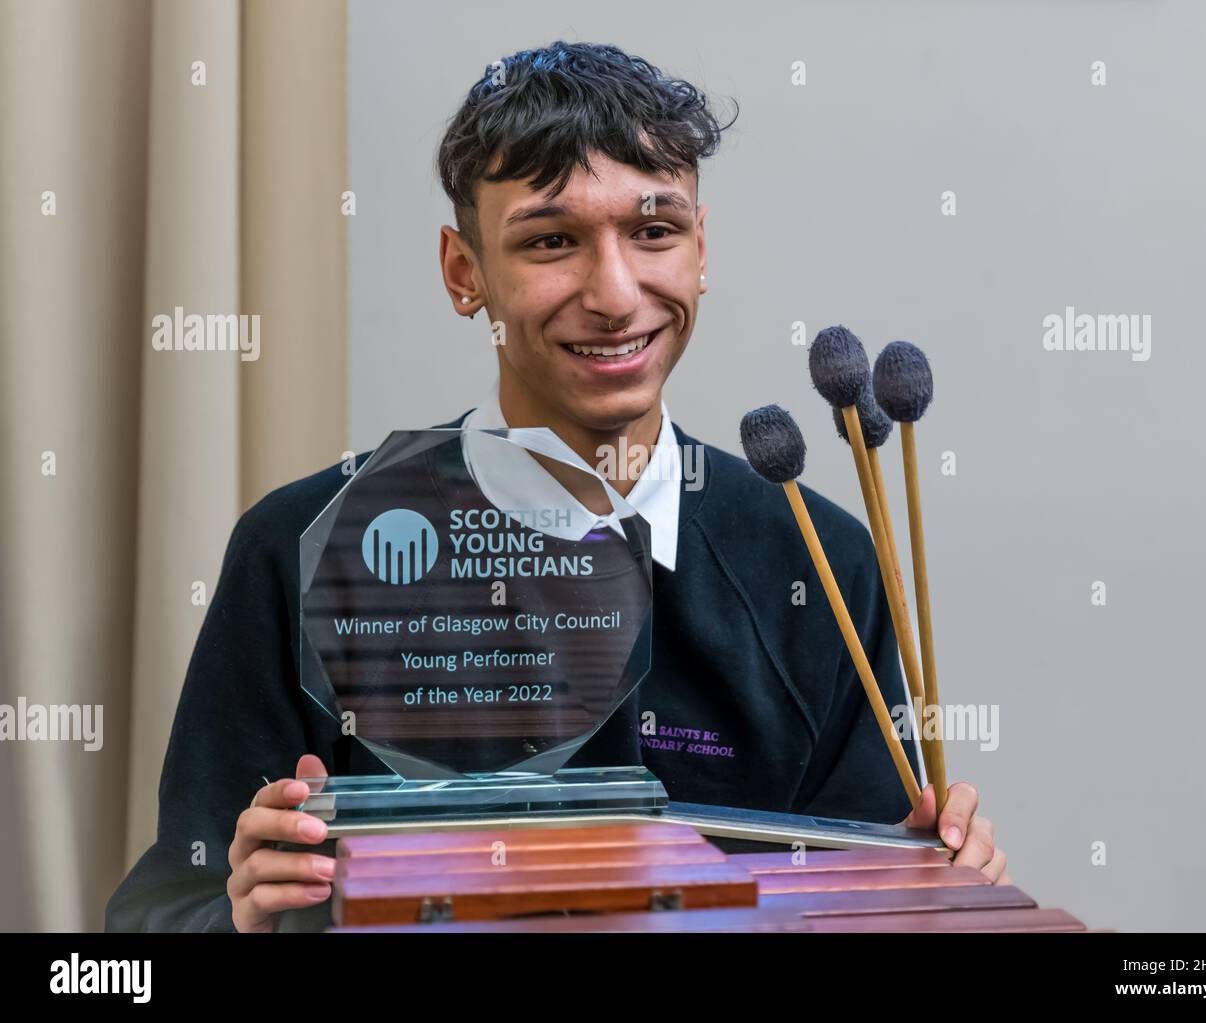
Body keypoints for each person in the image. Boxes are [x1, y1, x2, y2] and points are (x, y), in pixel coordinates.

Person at [106, 40, 1008, 934]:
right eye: (551, 241)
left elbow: (858, 895)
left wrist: (918, 885)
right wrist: (243, 920)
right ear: (466, 273)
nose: (615, 294)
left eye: (655, 230)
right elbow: (150, 928)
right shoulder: (303, 547)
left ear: (701, 251)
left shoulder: (819, 560)